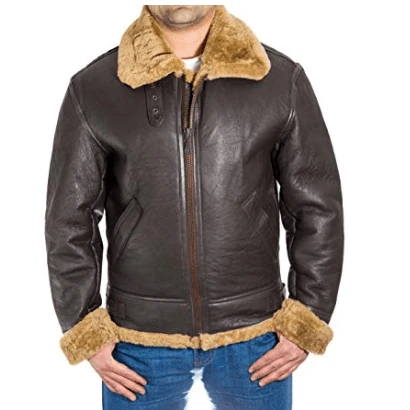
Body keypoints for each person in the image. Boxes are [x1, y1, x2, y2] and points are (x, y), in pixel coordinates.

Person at [44, 4, 344, 409]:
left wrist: (307, 318)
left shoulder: (277, 80)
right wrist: (85, 328)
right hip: (137, 340)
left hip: (256, 335)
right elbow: (68, 221)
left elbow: (317, 209)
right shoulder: (94, 89)